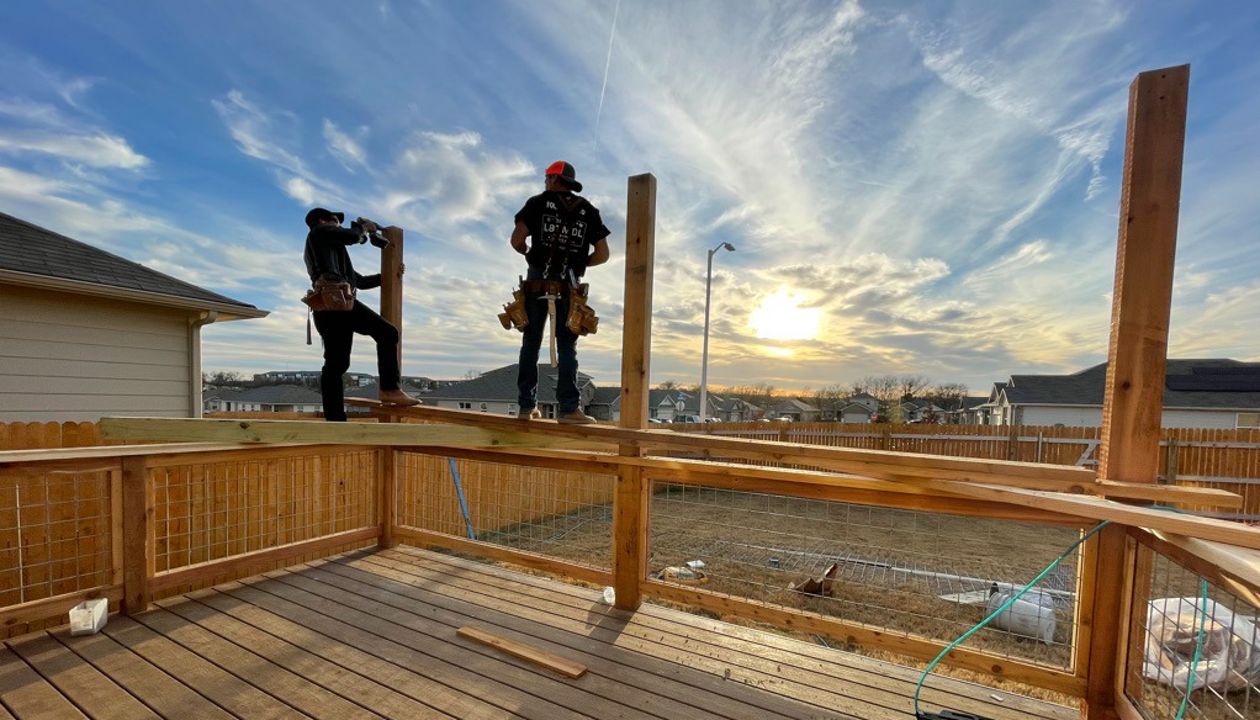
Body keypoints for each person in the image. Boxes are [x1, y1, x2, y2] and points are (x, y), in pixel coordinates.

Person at [510, 161, 610, 423]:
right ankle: (568, 409)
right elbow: (603, 254)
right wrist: (578, 264)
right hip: (569, 286)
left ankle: (525, 407)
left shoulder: (536, 203)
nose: (545, 182)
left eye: (547, 178)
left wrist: (529, 254)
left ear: (554, 179)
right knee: (567, 347)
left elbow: (517, 240)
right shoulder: (588, 211)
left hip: (536, 283)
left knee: (530, 343)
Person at [303, 207, 419, 421]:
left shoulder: (329, 248)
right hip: (337, 302)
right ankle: (389, 389)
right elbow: (352, 236)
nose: (338, 225)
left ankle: (335, 419)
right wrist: (364, 227)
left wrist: (390, 274)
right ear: (323, 221)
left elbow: (361, 282)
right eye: (336, 221)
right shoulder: (319, 233)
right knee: (387, 333)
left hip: (330, 307)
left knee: (336, 364)